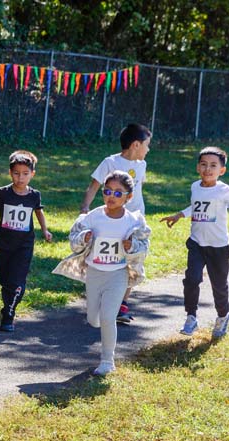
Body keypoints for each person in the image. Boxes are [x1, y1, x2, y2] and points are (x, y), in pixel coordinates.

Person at [160, 146, 229, 339]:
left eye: (213, 165)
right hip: (197, 243)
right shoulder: (195, 187)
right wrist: (180, 215)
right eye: (204, 164)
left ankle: (223, 316)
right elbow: (196, 206)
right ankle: (191, 317)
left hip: (218, 247)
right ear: (198, 167)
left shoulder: (224, 190)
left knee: (219, 285)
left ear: (221, 170)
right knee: (191, 279)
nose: (208, 169)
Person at [70, 171, 149, 377]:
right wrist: (84, 237)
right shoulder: (93, 216)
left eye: (117, 193)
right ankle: (100, 329)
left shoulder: (133, 221)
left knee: (108, 317)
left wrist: (131, 246)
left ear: (128, 197)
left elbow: (143, 247)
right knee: (93, 319)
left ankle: (107, 360)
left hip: (118, 273)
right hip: (95, 272)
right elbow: (74, 240)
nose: (111, 196)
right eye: (107, 191)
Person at [80, 123, 153, 324]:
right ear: (136, 144)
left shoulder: (142, 165)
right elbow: (95, 185)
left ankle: (122, 303)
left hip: (134, 222)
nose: (148, 149)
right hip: (111, 220)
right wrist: (85, 208)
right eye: (147, 144)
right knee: (109, 257)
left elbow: (137, 190)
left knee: (133, 258)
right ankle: (102, 295)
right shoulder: (110, 162)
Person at [0, 150, 52, 332]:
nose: (20, 178)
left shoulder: (34, 195)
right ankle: (7, 305)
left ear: (32, 174)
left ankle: (8, 313)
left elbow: (39, 212)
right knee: (5, 279)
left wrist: (45, 231)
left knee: (17, 280)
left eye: (25, 174)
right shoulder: (2, 194)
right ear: (10, 173)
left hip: (24, 244)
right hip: (4, 244)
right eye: (16, 173)